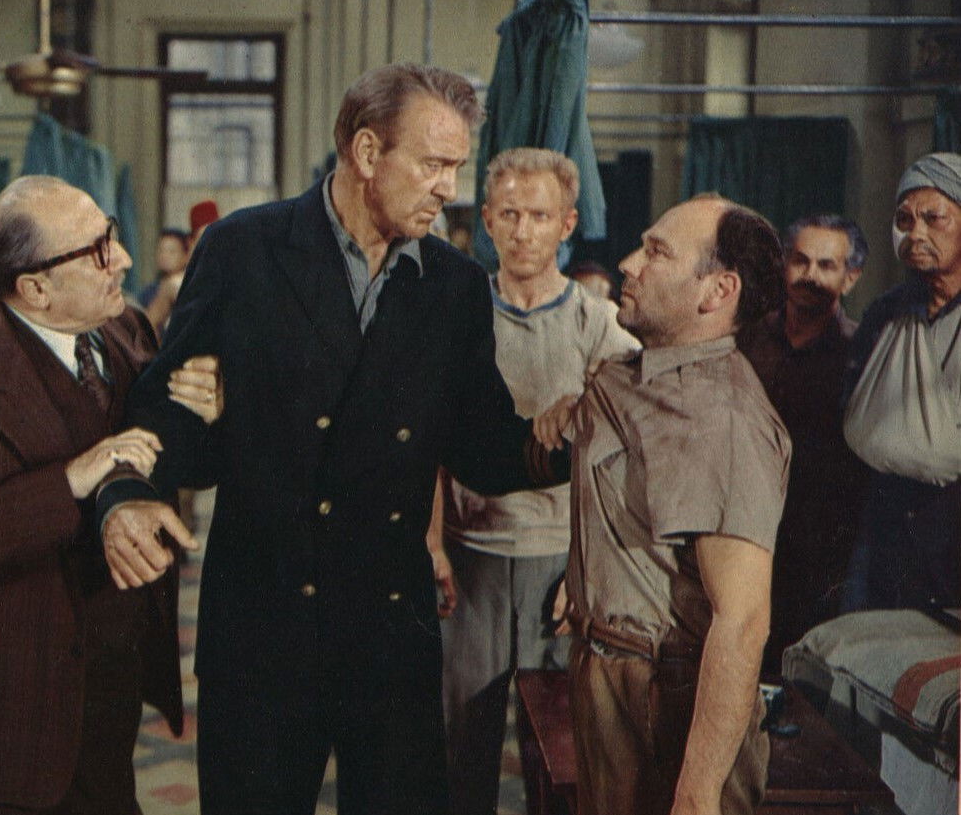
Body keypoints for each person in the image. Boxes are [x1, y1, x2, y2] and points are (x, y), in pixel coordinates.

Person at [98, 63, 572, 815]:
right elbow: (169, 412)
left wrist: (560, 443)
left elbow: (481, 445)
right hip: (264, 627)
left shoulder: (453, 285)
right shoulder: (244, 250)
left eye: (456, 168)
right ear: (367, 151)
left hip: (390, 632)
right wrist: (141, 480)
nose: (448, 188)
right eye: (433, 164)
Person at [0, 176, 222, 815]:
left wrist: (207, 413)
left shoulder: (127, 330)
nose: (124, 259)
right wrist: (69, 479)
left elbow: (160, 459)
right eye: (98, 250)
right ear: (35, 288)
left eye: (111, 234)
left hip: (106, 695)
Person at [554, 194, 788, 815]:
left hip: (667, 697)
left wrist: (698, 792)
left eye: (657, 252)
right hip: (607, 676)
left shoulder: (727, 420)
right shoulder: (629, 376)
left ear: (718, 291)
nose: (629, 264)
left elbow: (743, 621)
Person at [426, 147, 637, 815]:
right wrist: (432, 542)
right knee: (460, 748)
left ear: (567, 224)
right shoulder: (458, 315)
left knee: (561, 752)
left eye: (539, 216)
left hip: (560, 566)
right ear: (487, 219)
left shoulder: (598, 324)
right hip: (471, 559)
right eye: (510, 214)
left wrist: (588, 568)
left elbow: (627, 457)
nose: (523, 231)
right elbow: (428, 441)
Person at [738, 214, 869, 672]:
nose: (809, 275)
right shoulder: (745, 340)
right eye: (800, 261)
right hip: (744, 530)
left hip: (819, 546)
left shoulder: (862, 354)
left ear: (850, 278)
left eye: (826, 265)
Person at [841, 153, 961, 612]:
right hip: (887, 539)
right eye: (905, 220)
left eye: (934, 218)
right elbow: (851, 413)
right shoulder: (886, 314)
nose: (916, 234)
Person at [144, 202, 219, 331]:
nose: (212, 246)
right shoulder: (175, 284)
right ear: (192, 243)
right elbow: (148, 326)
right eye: (205, 238)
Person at [136, 228, 188, 308]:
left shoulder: (190, 287)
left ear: (185, 256)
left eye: (171, 251)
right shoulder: (149, 291)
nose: (165, 256)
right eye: (161, 250)